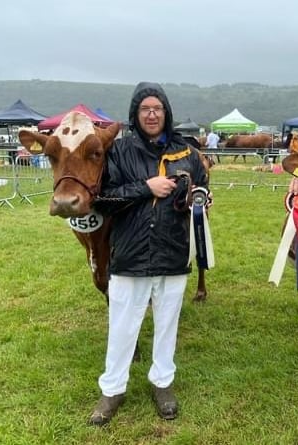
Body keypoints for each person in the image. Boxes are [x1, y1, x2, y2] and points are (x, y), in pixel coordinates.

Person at [88, 82, 209, 426]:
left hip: (173, 253)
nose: (152, 114)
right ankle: (112, 389)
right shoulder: (120, 151)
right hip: (130, 255)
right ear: (136, 114)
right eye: (145, 109)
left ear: (166, 113)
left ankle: (163, 383)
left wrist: (201, 198)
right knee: (122, 326)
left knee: (167, 324)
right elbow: (103, 198)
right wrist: (146, 188)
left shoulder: (186, 153)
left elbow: (200, 188)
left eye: (157, 108)